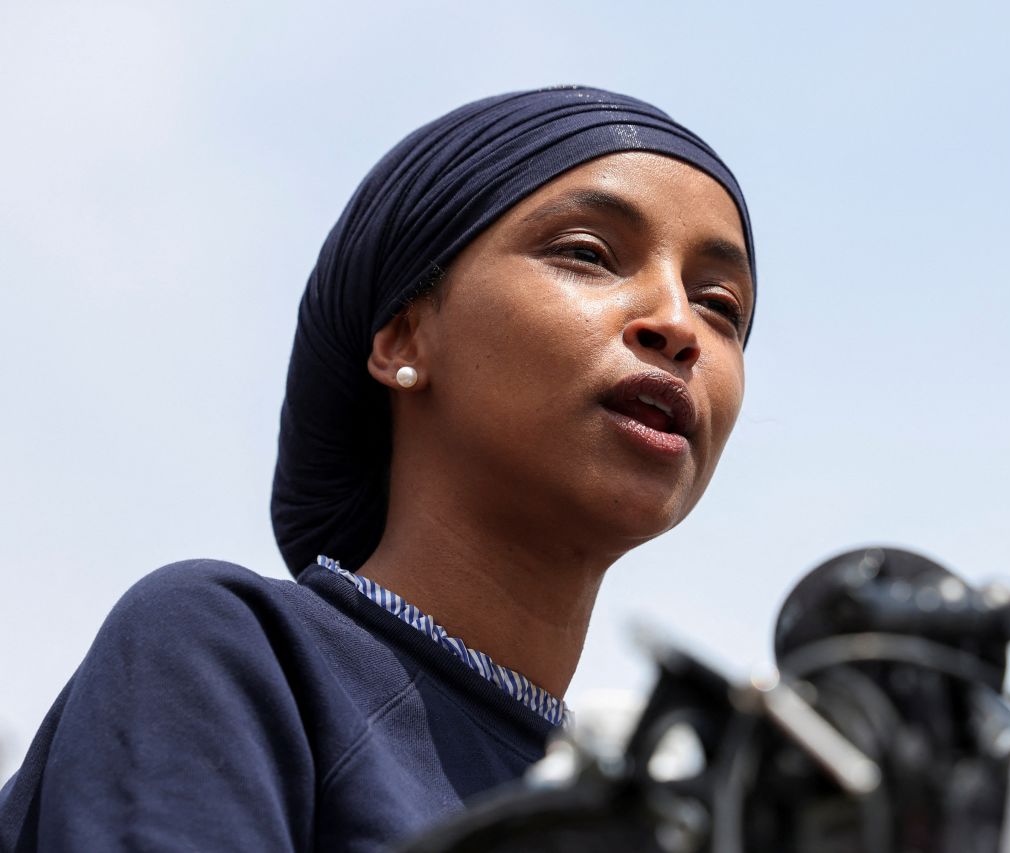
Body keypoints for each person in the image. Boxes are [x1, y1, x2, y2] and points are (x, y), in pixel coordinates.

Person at [0, 85, 756, 852]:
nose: (678, 324)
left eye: (720, 305)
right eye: (588, 254)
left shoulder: (672, 817)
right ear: (403, 340)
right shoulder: (230, 652)